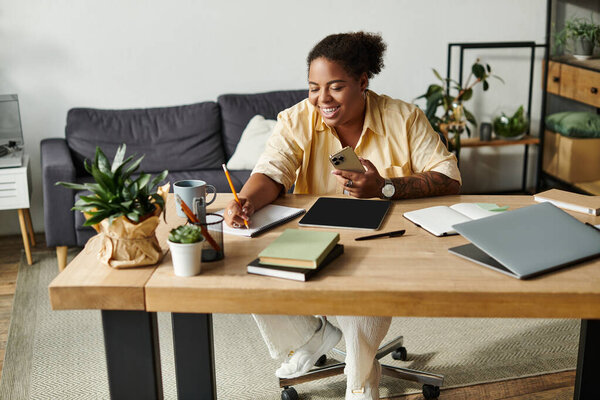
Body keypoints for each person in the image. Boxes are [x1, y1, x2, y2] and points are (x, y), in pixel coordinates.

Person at [224, 32, 461, 400]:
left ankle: (361, 381)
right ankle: (310, 338)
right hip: (315, 237)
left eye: (335, 87)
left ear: (363, 82)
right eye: (314, 87)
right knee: (249, 268)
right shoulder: (296, 119)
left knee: (361, 293)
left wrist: (386, 187)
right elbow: (272, 171)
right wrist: (248, 202)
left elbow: (449, 178)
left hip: (383, 245)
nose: (322, 99)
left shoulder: (404, 118)